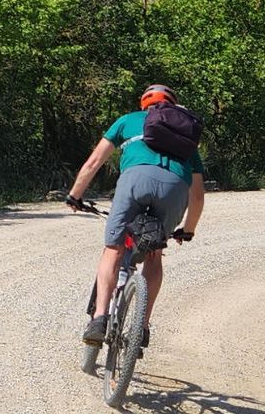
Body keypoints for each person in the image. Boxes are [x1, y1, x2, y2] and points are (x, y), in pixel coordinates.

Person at [66, 83, 205, 345]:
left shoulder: (127, 121)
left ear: (144, 105)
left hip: (135, 181)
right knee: (153, 254)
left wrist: (75, 195)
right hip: (174, 188)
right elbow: (197, 196)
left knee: (114, 249)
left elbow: (93, 163)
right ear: (172, 108)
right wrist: (188, 230)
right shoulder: (187, 138)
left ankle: (99, 318)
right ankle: (140, 327)